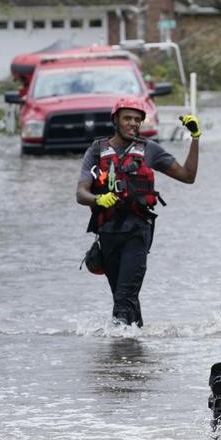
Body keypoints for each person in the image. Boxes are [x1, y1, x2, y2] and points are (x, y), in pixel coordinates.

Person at [76, 97, 202, 326]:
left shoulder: (149, 150)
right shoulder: (96, 151)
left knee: (124, 299)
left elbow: (188, 176)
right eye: (127, 118)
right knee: (123, 298)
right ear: (115, 120)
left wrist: (195, 138)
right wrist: (98, 198)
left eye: (137, 119)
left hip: (137, 232)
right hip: (107, 233)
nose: (133, 123)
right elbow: (81, 193)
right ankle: (135, 349)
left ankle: (117, 351)